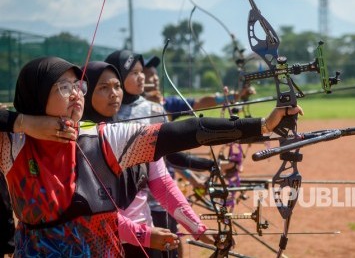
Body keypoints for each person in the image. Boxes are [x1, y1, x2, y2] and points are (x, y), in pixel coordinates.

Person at [0, 55, 302, 256]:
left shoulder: (106, 138)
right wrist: (22, 123)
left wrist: (262, 125)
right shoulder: (12, 145)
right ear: (37, 95)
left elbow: (184, 132)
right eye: (63, 87)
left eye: (77, 85)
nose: (76, 93)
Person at [83, 59, 214, 257]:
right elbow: (91, 210)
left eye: (117, 86)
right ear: (86, 91)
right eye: (103, 87)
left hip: (145, 240)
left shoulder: (132, 133)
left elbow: (162, 184)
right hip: (102, 245)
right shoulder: (76, 141)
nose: (114, 94)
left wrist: (198, 228)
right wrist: (142, 235)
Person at [143, 56, 256, 121]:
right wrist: (148, 101)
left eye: (156, 74)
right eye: (150, 75)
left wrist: (233, 96)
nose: (155, 79)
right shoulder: (127, 105)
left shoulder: (167, 102)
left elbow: (199, 103)